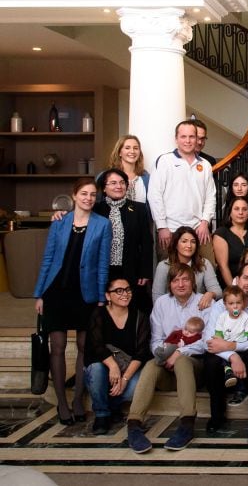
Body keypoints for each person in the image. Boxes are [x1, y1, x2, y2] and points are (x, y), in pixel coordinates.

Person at [34, 178, 111, 425]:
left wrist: (100, 298)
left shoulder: (102, 225)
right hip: (56, 291)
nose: (89, 198)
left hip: (85, 293)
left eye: (93, 195)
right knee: (56, 347)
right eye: (84, 193)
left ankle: (78, 399)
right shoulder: (60, 222)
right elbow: (48, 259)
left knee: (83, 347)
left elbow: (102, 264)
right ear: (74, 195)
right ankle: (62, 403)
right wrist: (40, 294)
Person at [126, 263, 211, 453]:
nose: (180, 284)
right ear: (170, 284)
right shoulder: (162, 303)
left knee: (182, 360)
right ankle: (134, 423)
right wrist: (164, 354)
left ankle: (187, 423)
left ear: (193, 282)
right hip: (166, 367)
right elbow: (155, 340)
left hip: (195, 368)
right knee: (150, 365)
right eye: (175, 280)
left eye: (185, 279)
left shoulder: (204, 303)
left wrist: (180, 352)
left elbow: (208, 341)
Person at [202, 263, 248, 443]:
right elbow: (209, 340)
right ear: (238, 279)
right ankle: (217, 416)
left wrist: (231, 346)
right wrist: (233, 356)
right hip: (225, 357)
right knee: (210, 359)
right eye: (246, 278)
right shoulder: (220, 306)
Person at [84, 276, 150, 435]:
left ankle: (113, 406)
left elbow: (141, 353)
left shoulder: (140, 317)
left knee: (136, 384)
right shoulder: (98, 314)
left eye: (127, 290)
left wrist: (125, 378)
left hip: (128, 367)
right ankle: (101, 414)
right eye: (118, 291)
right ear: (108, 296)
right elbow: (97, 346)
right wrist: (113, 366)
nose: (125, 294)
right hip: (103, 366)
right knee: (96, 369)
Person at [148, 120, 216, 250]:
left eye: (192, 137)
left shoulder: (205, 165)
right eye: (183, 136)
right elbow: (154, 195)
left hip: (198, 230)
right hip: (170, 230)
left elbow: (210, 197)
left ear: (197, 139)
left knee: (209, 267)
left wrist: (205, 222)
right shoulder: (164, 161)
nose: (188, 141)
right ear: (176, 139)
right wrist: (161, 227)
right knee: (170, 269)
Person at [94, 168, 153, 311]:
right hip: (102, 269)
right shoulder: (96, 209)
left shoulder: (138, 209)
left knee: (132, 306)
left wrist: (145, 271)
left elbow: (146, 242)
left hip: (131, 269)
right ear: (104, 188)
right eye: (113, 183)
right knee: (104, 308)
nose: (118, 186)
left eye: (122, 182)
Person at [151, 226, 222, 307]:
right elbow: (157, 297)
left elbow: (218, 292)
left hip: (198, 309)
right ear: (176, 244)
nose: (189, 245)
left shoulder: (204, 263)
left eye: (193, 242)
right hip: (171, 310)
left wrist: (211, 294)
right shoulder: (163, 266)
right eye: (184, 241)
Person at [213, 197, 248, 287]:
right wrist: (234, 291)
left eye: (244, 209)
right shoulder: (221, 233)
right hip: (229, 282)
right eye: (236, 209)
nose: (240, 213)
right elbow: (223, 267)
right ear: (230, 212)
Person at [105, 134, 150, 203]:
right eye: (127, 148)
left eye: (135, 148)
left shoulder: (146, 177)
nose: (132, 151)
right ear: (119, 152)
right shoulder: (107, 176)